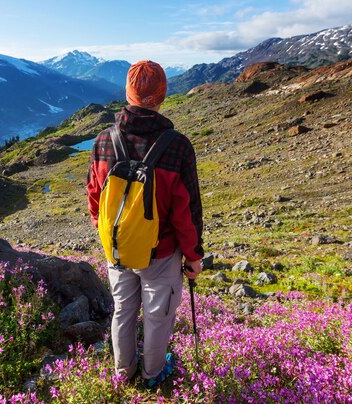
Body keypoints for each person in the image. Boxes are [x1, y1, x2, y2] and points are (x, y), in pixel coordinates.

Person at [86, 60, 204, 388]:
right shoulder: (177, 146)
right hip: (161, 252)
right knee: (158, 316)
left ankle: (123, 375)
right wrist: (193, 256)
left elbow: (94, 197)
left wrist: (110, 234)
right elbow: (187, 209)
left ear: (128, 92)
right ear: (162, 95)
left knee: (123, 312)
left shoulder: (103, 141)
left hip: (118, 249)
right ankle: (153, 375)